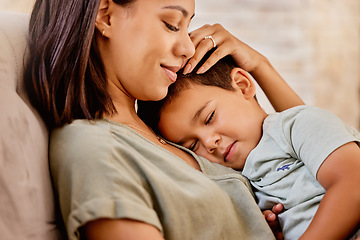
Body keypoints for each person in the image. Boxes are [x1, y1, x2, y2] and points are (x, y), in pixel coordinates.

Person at [24, 0, 304, 239]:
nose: (188, 48)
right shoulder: (94, 150)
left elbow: (313, 150)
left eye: (187, 26)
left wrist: (258, 64)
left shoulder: (162, 130)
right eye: (172, 24)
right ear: (105, 16)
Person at [138, 54, 360, 240]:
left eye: (210, 117)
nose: (209, 142)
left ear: (243, 86)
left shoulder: (294, 125)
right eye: (192, 145)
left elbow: (354, 182)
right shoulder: (238, 179)